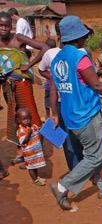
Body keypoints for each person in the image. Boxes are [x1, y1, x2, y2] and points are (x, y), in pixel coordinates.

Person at [48, 16, 102, 210]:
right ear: (78, 38)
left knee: (94, 151)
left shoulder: (57, 59)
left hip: (69, 115)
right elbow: (96, 85)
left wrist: (54, 113)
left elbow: (53, 90)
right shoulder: (80, 57)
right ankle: (63, 186)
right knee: (94, 156)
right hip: (86, 113)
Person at [0, 12, 48, 163]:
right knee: (18, 116)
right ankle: (25, 151)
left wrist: (29, 64)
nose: (3, 29)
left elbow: (44, 47)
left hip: (22, 84)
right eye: (0, 26)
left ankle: (41, 147)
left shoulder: (18, 38)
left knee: (32, 116)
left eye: (6, 26)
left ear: (11, 27)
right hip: (7, 86)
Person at [38, 21, 84, 171]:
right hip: (60, 102)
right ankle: (75, 170)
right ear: (59, 36)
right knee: (68, 141)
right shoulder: (50, 54)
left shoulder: (80, 52)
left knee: (82, 137)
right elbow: (41, 69)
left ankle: (86, 168)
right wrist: (52, 78)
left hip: (78, 101)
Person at [16, 108, 47, 186]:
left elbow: (38, 131)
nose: (27, 120)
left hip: (35, 151)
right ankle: (35, 180)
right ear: (19, 120)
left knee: (35, 166)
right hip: (29, 154)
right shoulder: (21, 131)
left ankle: (37, 177)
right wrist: (29, 134)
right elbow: (23, 142)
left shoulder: (33, 126)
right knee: (31, 167)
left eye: (28, 118)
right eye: (24, 119)